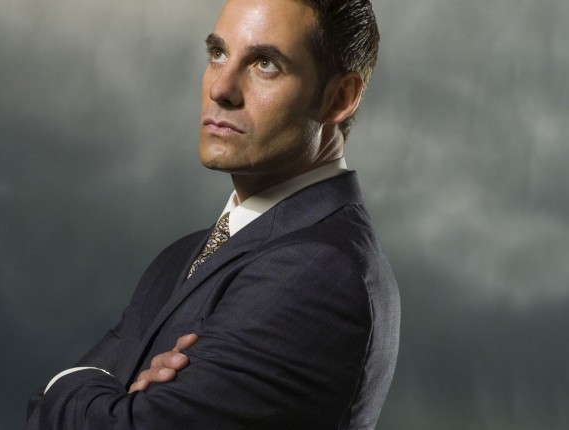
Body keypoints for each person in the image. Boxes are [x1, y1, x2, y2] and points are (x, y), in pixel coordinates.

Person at [25, 0, 400, 428]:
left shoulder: (317, 270)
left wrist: (65, 384)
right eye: (218, 53)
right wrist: (103, 399)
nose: (221, 88)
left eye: (265, 63)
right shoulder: (177, 259)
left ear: (339, 98)